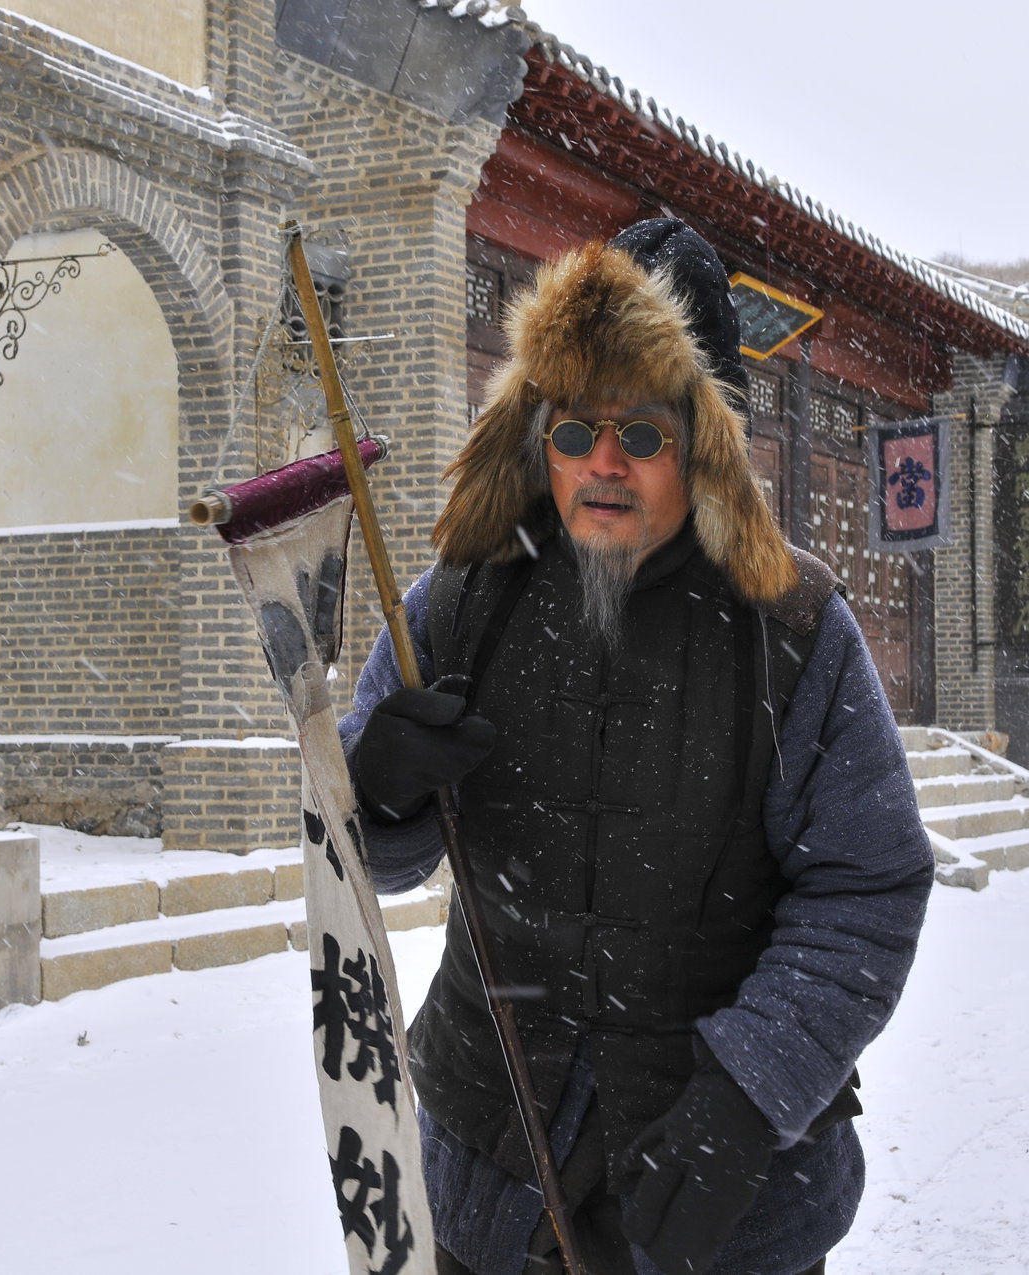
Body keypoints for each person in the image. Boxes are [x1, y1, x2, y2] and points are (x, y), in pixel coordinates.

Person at [338, 218, 932, 1275]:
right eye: (574, 430)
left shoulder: (793, 630)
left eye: (644, 432)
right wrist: (374, 794)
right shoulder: (460, 600)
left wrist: (750, 1093)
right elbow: (357, 853)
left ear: (705, 441)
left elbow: (866, 886)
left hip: (721, 1202)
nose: (603, 465)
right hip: (486, 1179)